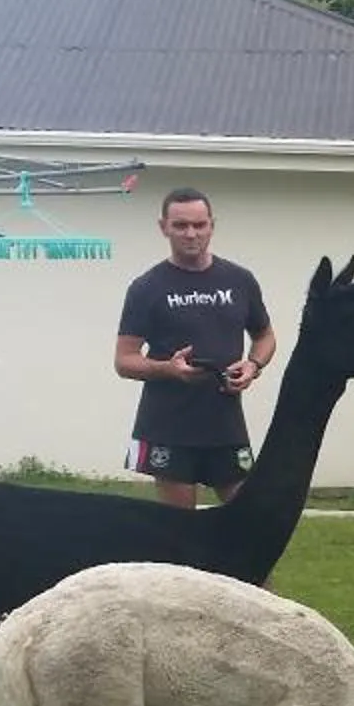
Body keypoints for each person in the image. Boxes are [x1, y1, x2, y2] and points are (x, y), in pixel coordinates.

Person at [113, 187, 275, 510]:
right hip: (169, 427)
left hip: (224, 423)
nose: (191, 234)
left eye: (199, 225)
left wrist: (253, 366)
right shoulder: (147, 287)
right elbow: (124, 360)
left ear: (212, 225)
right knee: (180, 533)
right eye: (181, 226)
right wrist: (167, 369)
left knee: (248, 518)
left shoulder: (240, 280)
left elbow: (265, 336)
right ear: (164, 228)